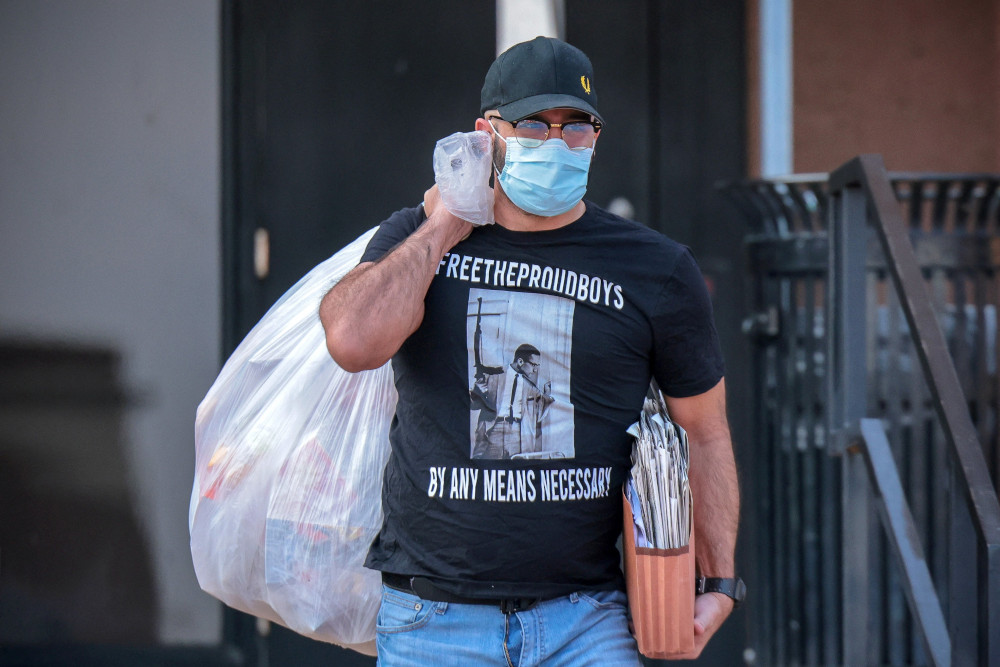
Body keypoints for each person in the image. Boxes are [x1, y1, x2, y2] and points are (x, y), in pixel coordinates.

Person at [320, 35, 741, 666]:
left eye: (577, 125)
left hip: (590, 618)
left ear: (597, 136)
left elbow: (704, 433)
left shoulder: (656, 268)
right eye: (532, 124)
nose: (556, 142)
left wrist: (720, 582)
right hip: (434, 618)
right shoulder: (420, 240)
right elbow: (352, 341)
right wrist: (444, 224)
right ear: (486, 134)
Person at [472, 343, 556, 460]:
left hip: (519, 432)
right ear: (520, 361)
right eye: (533, 365)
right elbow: (473, 405)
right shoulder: (493, 376)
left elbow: (539, 412)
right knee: (491, 467)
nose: (535, 370)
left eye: (537, 365)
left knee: (515, 467)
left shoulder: (531, 387)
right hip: (494, 429)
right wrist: (476, 392)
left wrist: (547, 394)